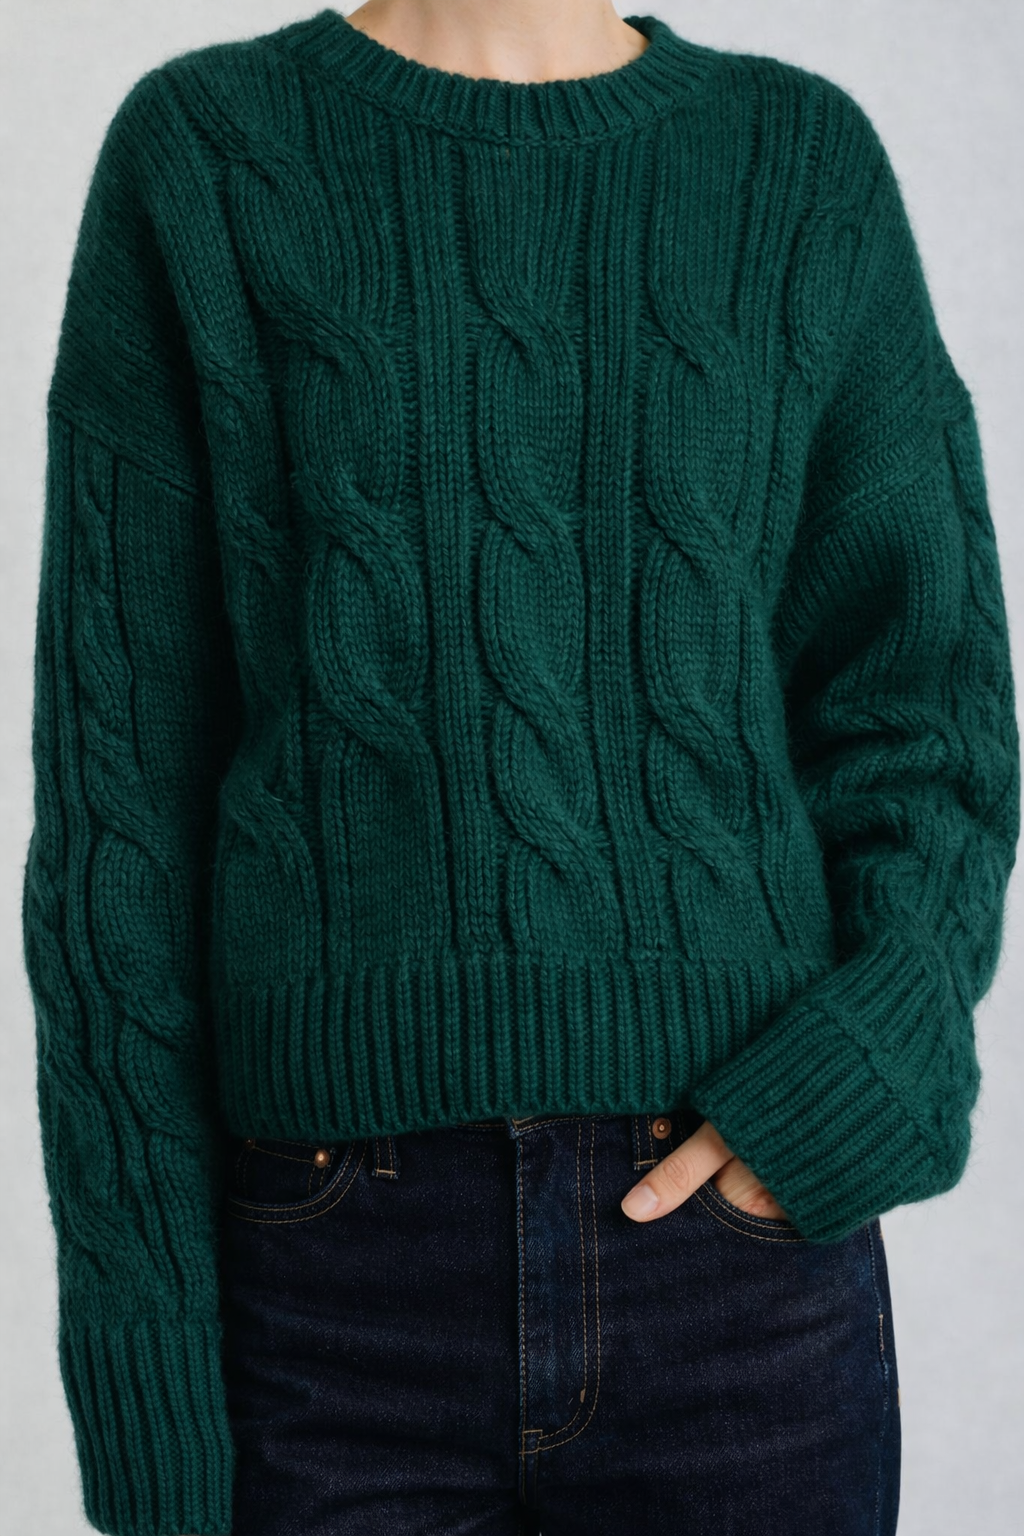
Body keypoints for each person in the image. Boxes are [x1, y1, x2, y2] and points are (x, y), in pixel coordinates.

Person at [21, 2, 1020, 1533]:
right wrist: (142, 1364)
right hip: (328, 1290)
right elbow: (116, 823)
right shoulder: (209, 153)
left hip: (736, 1268)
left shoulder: (797, 164)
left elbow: (931, 718)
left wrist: (869, 1066)